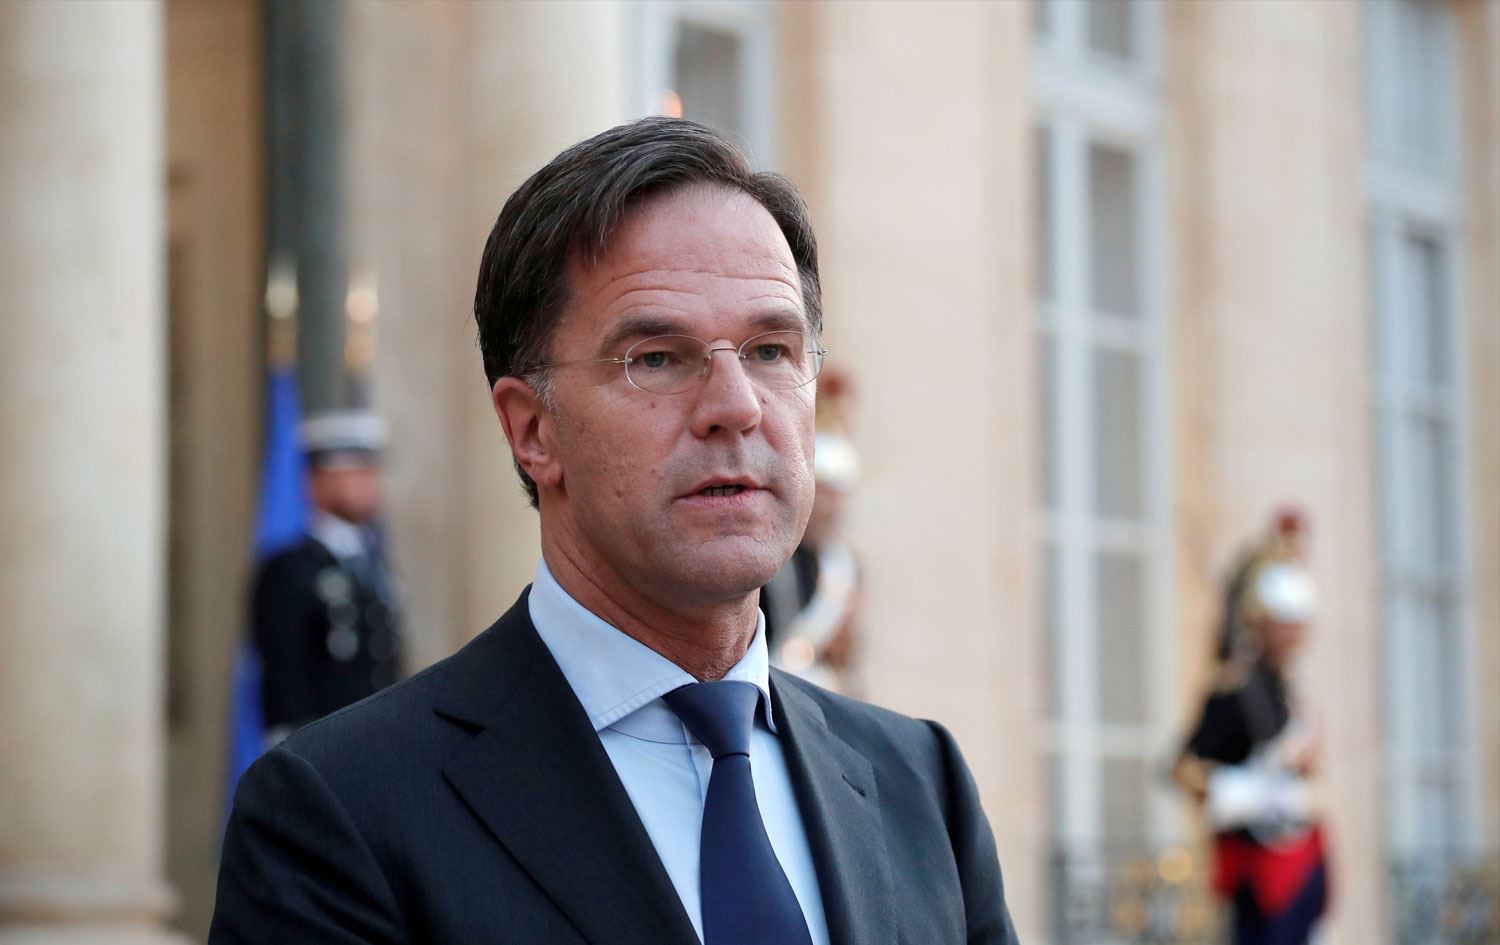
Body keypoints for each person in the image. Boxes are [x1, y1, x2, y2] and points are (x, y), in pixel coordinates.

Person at [211, 117, 1018, 945]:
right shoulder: (340, 808)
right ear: (533, 430)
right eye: (657, 358)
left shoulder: (921, 786)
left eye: (772, 350)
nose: (736, 406)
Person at [1174, 510, 1330, 945]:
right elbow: (1185, 768)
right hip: (1259, 873)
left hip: (1301, 862)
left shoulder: (1288, 689)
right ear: (1263, 623)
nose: (1297, 635)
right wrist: (1249, 790)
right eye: (1288, 624)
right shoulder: (1235, 692)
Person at [251, 409, 402, 744]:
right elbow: (284, 678)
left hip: (380, 739)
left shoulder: (373, 563)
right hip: (321, 747)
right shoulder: (290, 569)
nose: (369, 483)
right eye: (354, 472)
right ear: (317, 482)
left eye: (371, 471)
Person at [762, 369, 861, 693]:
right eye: (826, 493)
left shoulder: (841, 565)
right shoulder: (768, 555)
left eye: (839, 495)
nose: (833, 507)